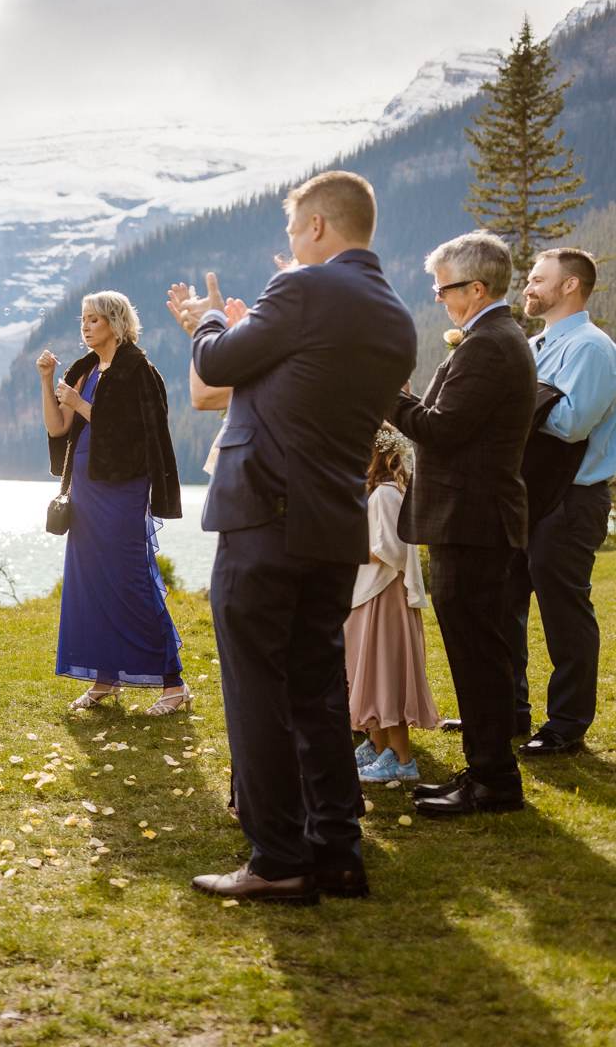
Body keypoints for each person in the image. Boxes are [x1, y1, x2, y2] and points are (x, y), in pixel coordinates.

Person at [167, 170, 416, 903]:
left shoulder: (304, 291)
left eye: (291, 232)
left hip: (264, 514)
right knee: (315, 687)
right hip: (333, 520)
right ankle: (337, 849)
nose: (291, 246)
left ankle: (278, 858)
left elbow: (216, 365)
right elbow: (296, 387)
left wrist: (209, 321)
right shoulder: (396, 316)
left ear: (315, 227)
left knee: (256, 687)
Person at [391, 232, 536, 818]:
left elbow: (442, 429)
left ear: (476, 289)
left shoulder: (489, 346)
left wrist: (388, 396)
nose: (438, 299)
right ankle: (486, 771)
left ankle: (493, 781)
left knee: (478, 653)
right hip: (475, 517)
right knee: (482, 651)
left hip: (473, 519)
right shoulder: (495, 339)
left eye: (443, 288)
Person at [37, 291, 185, 715]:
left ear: (117, 324)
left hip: (122, 489)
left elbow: (137, 434)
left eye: (95, 320)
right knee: (90, 581)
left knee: (131, 578)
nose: (85, 327)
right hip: (84, 488)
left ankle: (173, 684)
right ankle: (105, 679)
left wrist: (81, 404)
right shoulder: (83, 368)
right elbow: (58, 425)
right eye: (83, 320)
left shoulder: (139, 370)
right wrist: (48, 382)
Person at [507, 247, 616, 756]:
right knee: (505, 605)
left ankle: (566, 725)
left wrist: (516, 402)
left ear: (570, 286)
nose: (527, 287)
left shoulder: (591, 348)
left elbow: (572, 425)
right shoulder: (535, 345)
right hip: (528, 492)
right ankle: (508, 710)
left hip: (572, 500)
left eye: (536, 279)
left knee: (563, 610)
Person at [347, 425, 439, 783]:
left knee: (384, 675)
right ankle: (378, 745)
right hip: (369, 592)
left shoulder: (386, 495)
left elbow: (391, 550)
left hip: (382, 596)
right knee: (368, 674)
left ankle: (402, 759)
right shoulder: (384, 492)